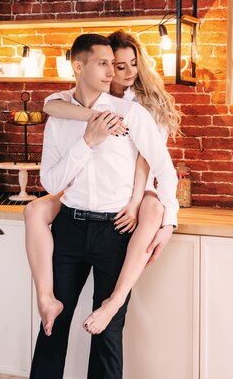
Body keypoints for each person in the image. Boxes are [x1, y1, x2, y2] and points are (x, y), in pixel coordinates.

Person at [28, 33, 178, 379]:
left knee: (108, 332)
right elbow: (50, 183)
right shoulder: (59, 116)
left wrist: (168, 218)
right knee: (53, 323)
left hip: (116, 230)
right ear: (78, 67)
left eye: (115, 63)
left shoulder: (132, 114)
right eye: (104, 63)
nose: (112, 71)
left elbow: (164, 170)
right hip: (70, 226)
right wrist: (88, 142)